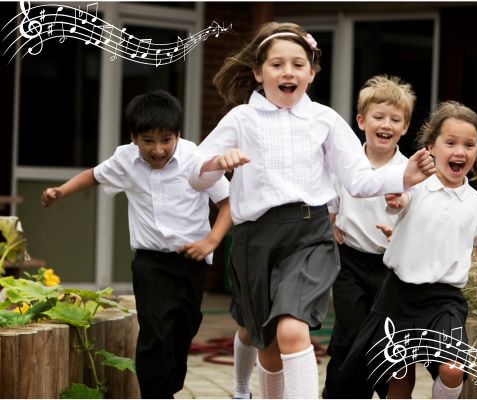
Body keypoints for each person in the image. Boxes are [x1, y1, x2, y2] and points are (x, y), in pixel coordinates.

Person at [189, 22, 436, 399]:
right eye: (277, 64)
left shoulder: (324, 120)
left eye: (297, 64)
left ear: (312, 72)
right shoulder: (241, 119)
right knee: (268, 347)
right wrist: (216, 163)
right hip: (254, 240)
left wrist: (405, 175)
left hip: (309, 234)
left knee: (292, 330)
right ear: (258, 72)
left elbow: (357, 180)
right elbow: (195, 174)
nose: (288, 71)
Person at [41, 90, 232, 399]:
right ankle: (156, 395)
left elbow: (227, 202)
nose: (158, 150)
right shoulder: (125, 159)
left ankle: (166, 390)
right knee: (156, 332)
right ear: (134, 137)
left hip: (191, 261)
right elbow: (94, 175)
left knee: (182, 332)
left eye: (166, 140)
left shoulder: (196, 160)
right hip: (150, 262)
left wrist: (212, 241)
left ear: (177, 135)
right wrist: (62, 191)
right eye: (148, 141)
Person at [343, 100, 477, 399]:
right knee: (399, 377)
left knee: (453, 369)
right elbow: (399, 198)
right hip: (398, 296)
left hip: (444, 301)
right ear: (431, 147)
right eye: (450, 142)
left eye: (469, 144)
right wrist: (396, 200)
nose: (459, 151)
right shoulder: (416, 185)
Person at [323, 74, 416, 399]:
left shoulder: (409, 170)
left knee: (384, 340)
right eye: (378, 117)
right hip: (350, 262)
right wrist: (331, 221)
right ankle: (339, 392)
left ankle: (377, 387)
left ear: (405, 127)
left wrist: (402, 202)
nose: (386, 124)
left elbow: (416, 210)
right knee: (351, 329)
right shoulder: (348, 165)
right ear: (362, 121)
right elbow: (333, 197)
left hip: (391, 270)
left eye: (395, 119)